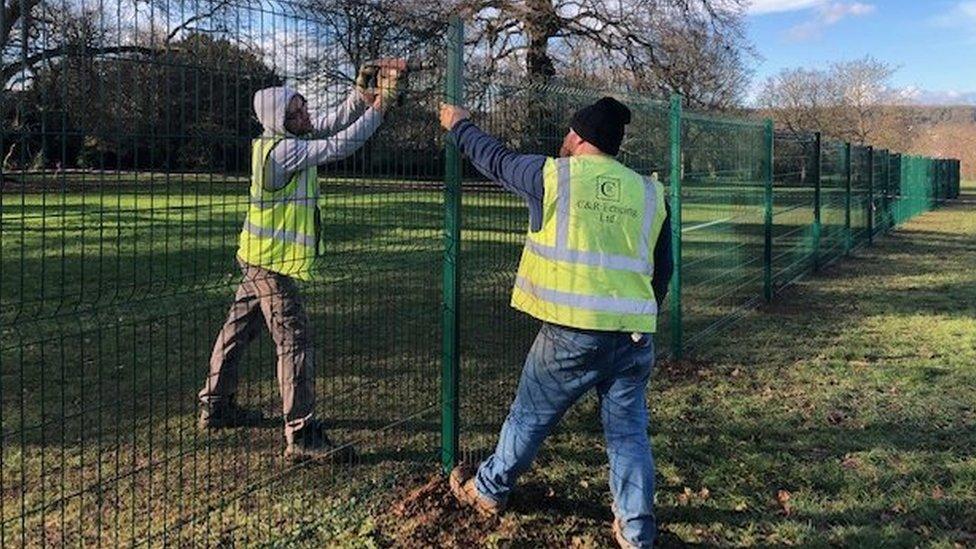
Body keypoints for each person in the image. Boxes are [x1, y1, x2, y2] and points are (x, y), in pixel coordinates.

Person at [439, 97, 673, 548]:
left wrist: (460, 126)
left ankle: (488, 489)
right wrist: (640, 312)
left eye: (569, 133)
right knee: (628, 434)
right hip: (633, 335)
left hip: (571, 333)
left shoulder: (553, 175)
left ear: (580, 138)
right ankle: (637, 532)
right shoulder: (648, 191)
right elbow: (662, 270)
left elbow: (495, 160)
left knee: (529, 416)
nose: (564, 140)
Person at [197, 63, 402, 461]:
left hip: (255, 256)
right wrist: (381, 107)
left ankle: (215, 404)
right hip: (271, 265)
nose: (306, 115)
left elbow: (328, 123)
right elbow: (339, 144)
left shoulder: (276, 140)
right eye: (297, 113)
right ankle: (302, 433)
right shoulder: (285, 150)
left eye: (303, 107)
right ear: (280, 122)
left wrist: (361, 95)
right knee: (294, 339)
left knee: (236, 330)